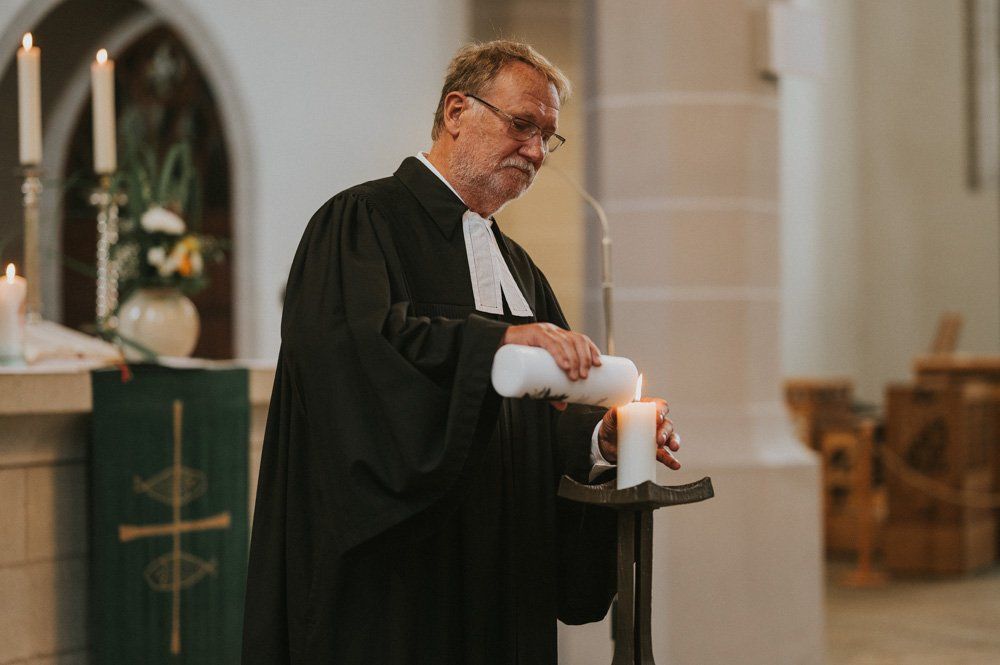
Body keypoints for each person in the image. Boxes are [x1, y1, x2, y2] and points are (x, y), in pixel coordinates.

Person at [241, 39, 681, 665]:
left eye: (547, 137)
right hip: (396, 584)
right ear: (455, 111)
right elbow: (354, 362)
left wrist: (600, 441)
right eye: (521, 124)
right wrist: (494, 339)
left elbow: (528, 425)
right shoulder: (359, 221)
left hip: (500, 580)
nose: (535, 151)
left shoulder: (517, 269)